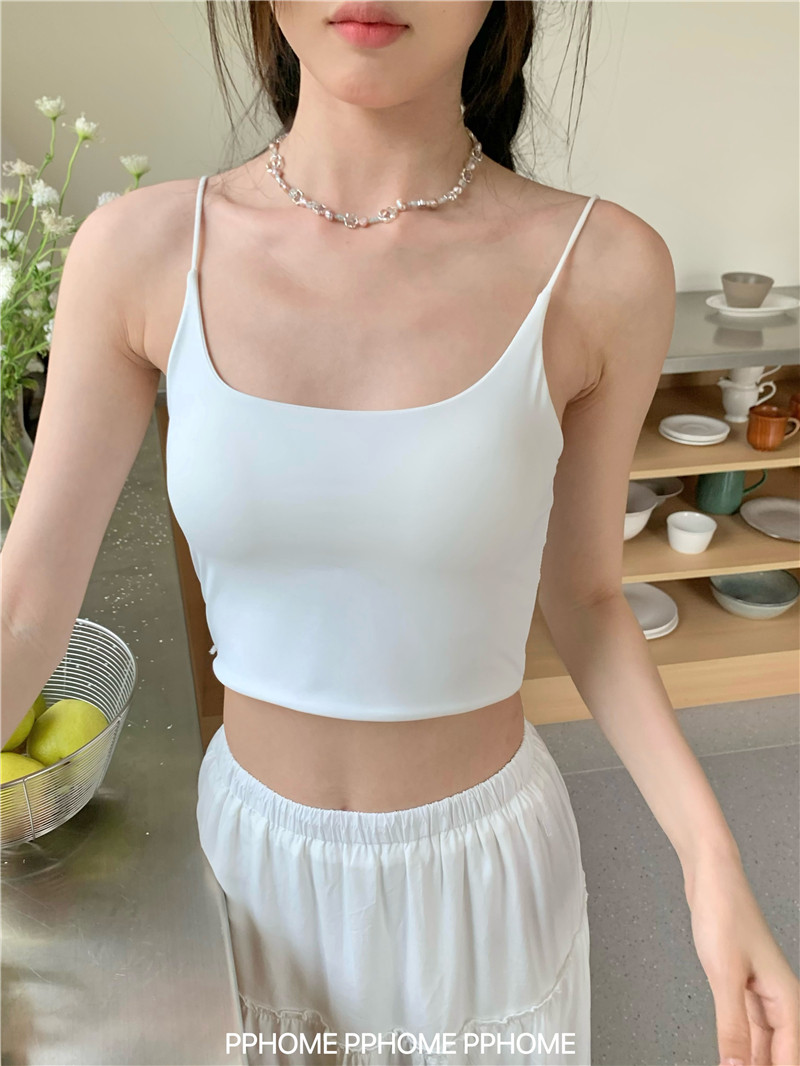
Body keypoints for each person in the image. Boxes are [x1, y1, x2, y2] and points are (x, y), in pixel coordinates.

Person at [2, 2, 797, 1065]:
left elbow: (589, 599)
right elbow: (24, 608)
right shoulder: (139, 252)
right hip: (245, 873)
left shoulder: (604, 266)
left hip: (480, 883)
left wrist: (711, 862)